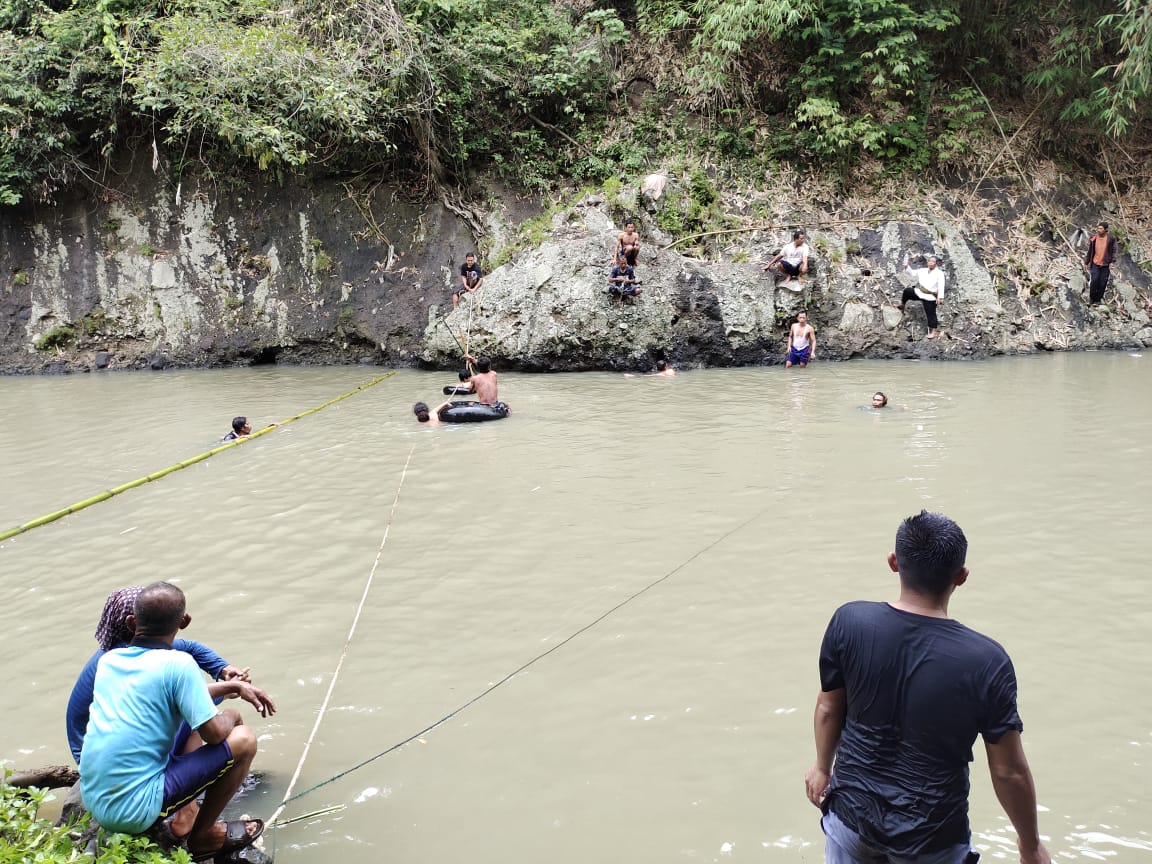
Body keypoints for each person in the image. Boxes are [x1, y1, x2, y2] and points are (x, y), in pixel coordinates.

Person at [805, 512, 1050, 864]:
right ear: (961, 577)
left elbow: (829, 708)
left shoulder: (850, 622)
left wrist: (821, 768)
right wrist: (1030, 845)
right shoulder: (986, 661)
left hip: (851, 822)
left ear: (893, 562)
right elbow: (1008, 772)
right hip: (931, 840)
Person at [79, 583, 276, 861]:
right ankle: (203, 836)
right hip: (133, 811)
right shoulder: (180, 664)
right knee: (242, 738)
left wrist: (227, 687)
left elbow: (165, 694)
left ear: (132, 622)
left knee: (200, 721)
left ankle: (187, 812)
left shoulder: (110, 661)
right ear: (185, 621)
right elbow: (215, 735)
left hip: (96, 801)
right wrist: (231, 713)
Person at [66, 587, 250, 766]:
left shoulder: (127, 650)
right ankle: (189, 789)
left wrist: (224, 669)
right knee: (201, 721)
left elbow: (191, 647)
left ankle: (190, 793)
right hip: (94, 753)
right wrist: (228, 691)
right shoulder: (124, 659)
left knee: (191, 724)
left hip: (108, 747)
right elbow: (178, 700)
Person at [899, 253, 946, 339]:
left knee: (931, 314)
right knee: (907, 291)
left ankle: (934, 332)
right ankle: (902, 305)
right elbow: (912, 273)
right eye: (930, 261)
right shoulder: (923, 270)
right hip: (920, 292)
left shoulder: (939, 273)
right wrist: (906, 266)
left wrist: (940, 297)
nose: (931, 263)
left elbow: (941, 285)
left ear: (936, 263)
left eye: (933, 261)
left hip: (930, 296)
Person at [1083, 222, 1117, 305]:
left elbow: (1114, 250)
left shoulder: (1111, 239)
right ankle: (1092, 298)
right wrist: (1086, 263)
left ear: (1106, 230)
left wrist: (1112, 261)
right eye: (1098, 228)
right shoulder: (1093, 239)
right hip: (1095, 263)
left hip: (1105, 265)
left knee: (1102, 283)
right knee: (1094, 281)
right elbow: (1090, 251)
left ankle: (1098, 300)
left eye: (1101, 229)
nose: (1098, 230)